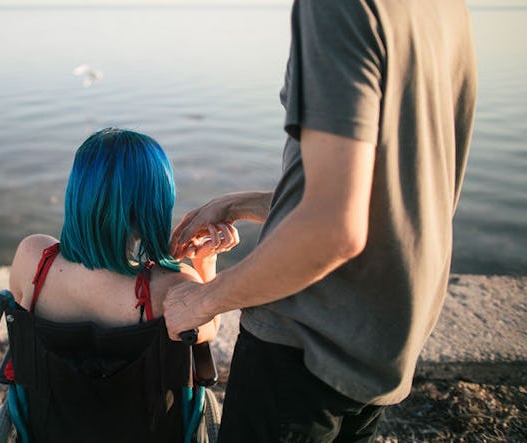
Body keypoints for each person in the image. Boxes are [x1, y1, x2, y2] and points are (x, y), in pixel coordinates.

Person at [163, 1, 477, 442]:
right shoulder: (446, 9)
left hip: (305, 343)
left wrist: (205, 300)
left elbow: (333, 231)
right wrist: (240, 203)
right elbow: (386, 197)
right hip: (387, 333)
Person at [6, 127, 237, 441]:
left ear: (78, 193)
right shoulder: (172, 287)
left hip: (50, 429)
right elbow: (210, 327)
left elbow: (22, 313)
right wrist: (205, 264)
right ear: (154, 203)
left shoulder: (33, 258)